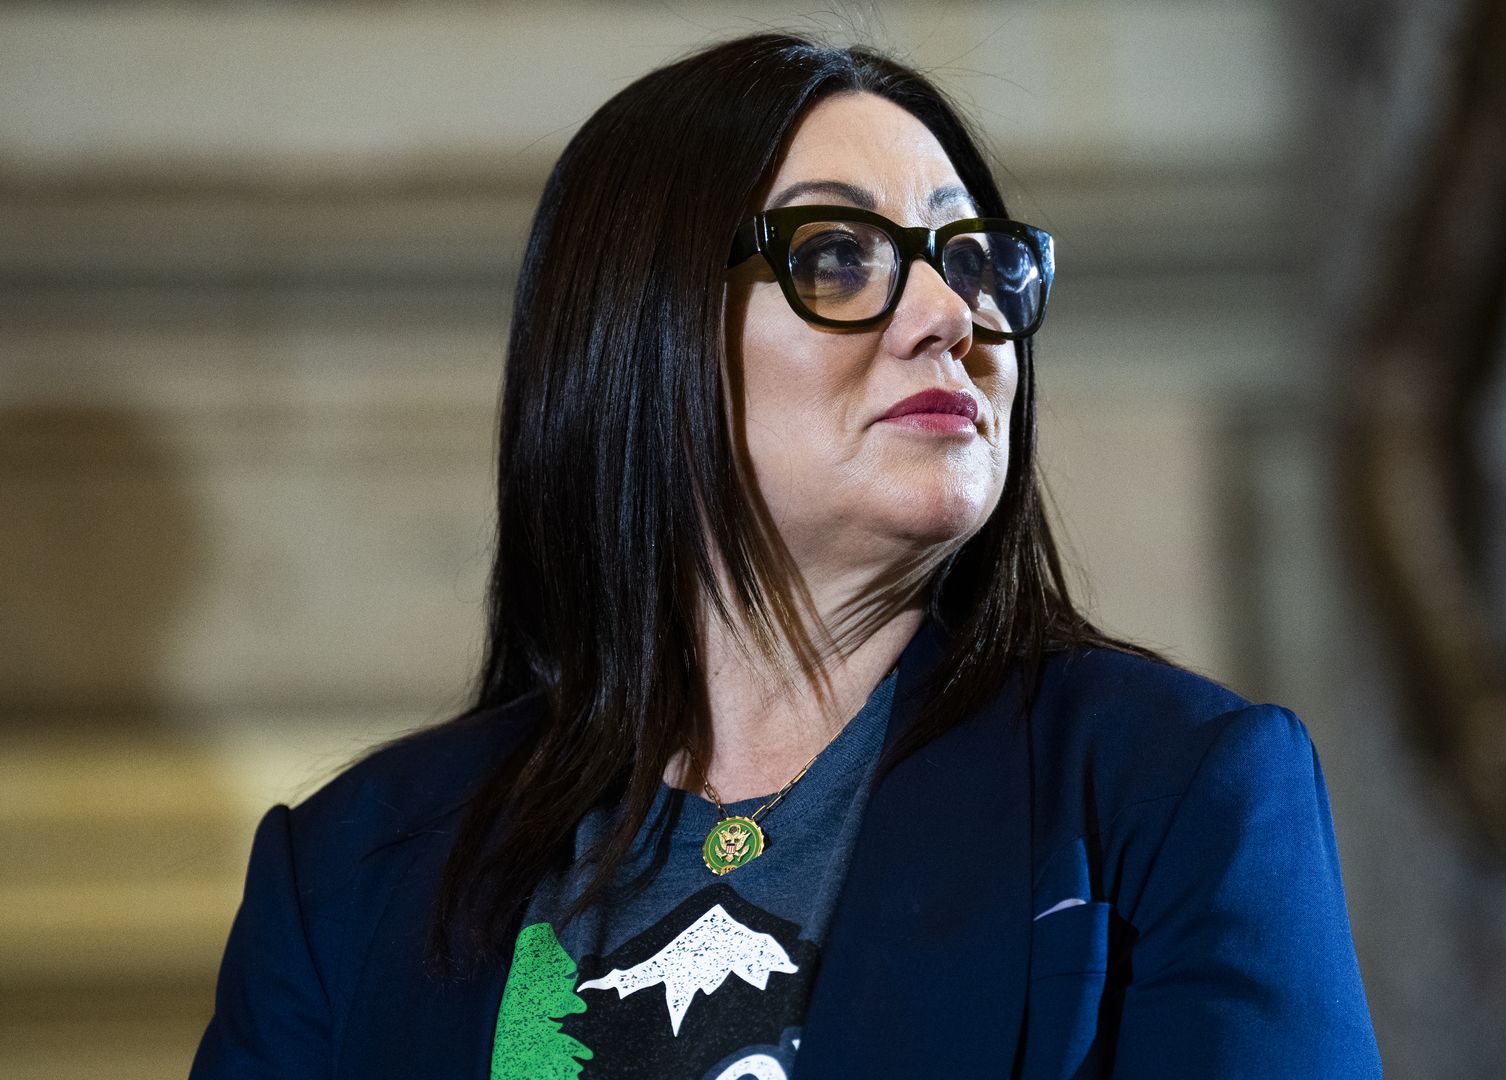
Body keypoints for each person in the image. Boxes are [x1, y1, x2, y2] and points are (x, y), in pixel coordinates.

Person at [190, 32, 1381, 1080]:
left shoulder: (1171, 792)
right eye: (837, 258)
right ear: (637, 329)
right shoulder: (348, 877)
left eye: (977, 262)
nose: (951, 317)